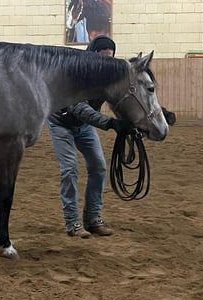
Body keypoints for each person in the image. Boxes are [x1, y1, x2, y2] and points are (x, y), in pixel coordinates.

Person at [47, 35, 176, 238]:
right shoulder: (77, 74)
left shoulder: (108, 76)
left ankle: (93, 218)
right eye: (103, 56)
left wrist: (161, 112)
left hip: (84, 126)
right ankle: (72, 222)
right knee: (70, 169)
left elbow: (130, 98)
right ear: (93, 54)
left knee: (98, 167)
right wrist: (110, 123)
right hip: (61, 124)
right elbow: (79, 108)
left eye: (110, 56)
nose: (107, 60)